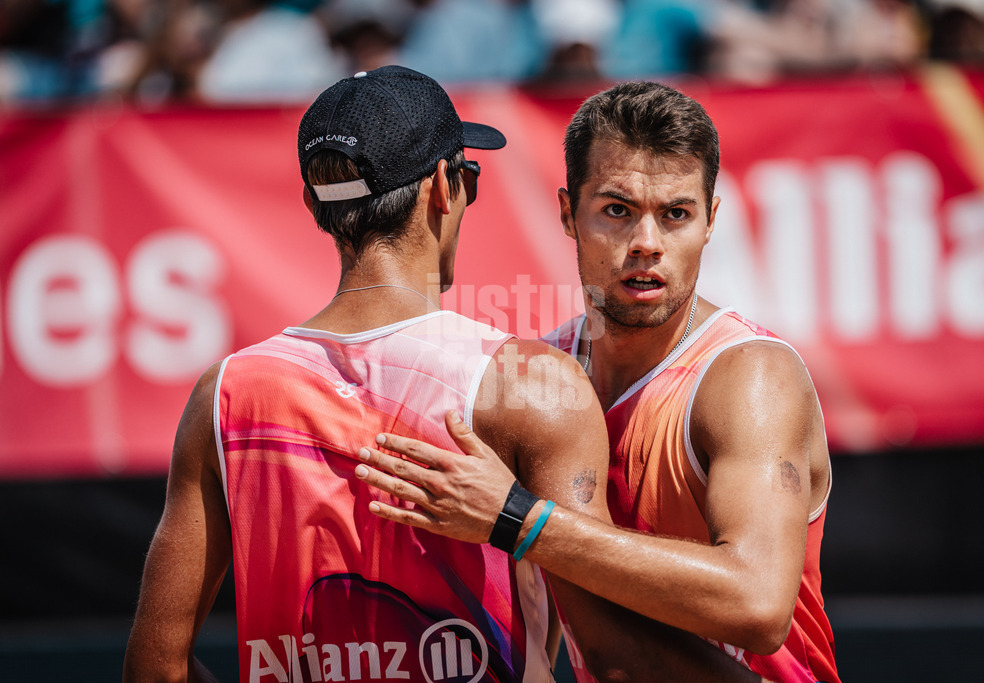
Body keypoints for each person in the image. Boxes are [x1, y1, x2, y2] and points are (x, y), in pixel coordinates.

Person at [123, 66, 764, 683]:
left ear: (314, 204)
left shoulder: (224, 394)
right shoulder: (530, 383)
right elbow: (611, 650)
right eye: (469, 178)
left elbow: (154, 668)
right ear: (442, 187)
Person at [355, 80, 841, 683]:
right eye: (617, 211)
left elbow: (758, 604)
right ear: (567, 213)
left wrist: (520, 520)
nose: (647, 244)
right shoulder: (542, 374)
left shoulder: (750, 378)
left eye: (676, 215)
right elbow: (557, 623)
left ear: (711, 220)